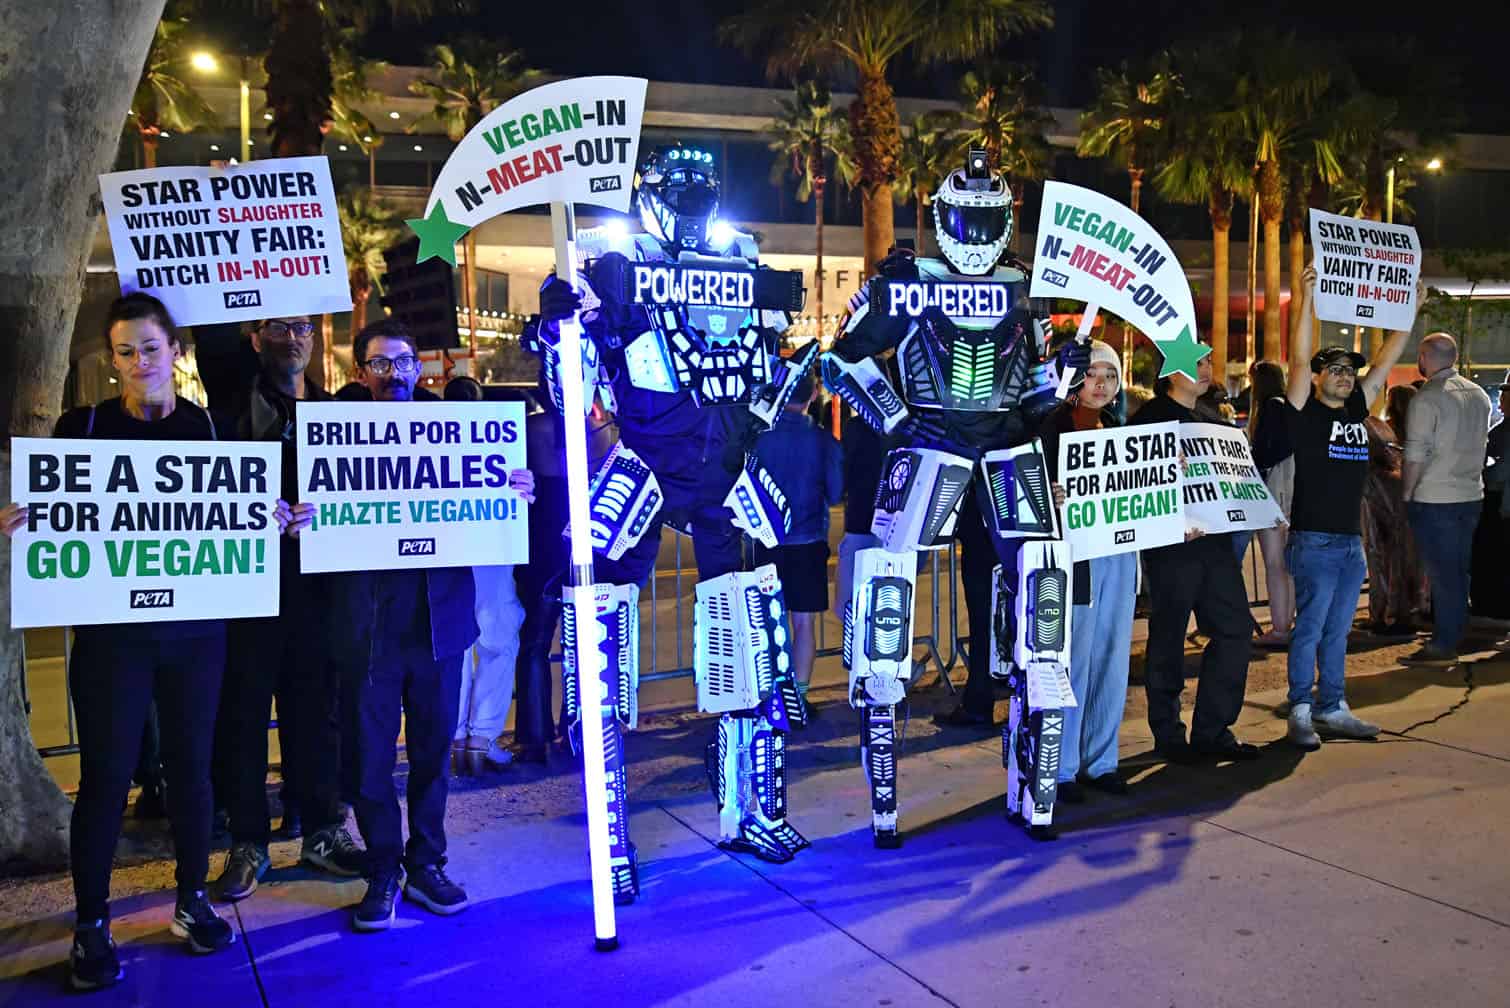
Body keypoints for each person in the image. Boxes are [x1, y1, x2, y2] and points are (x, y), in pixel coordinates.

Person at [0, 294, 240, 990]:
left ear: (175, 351)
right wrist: (22, 518)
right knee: (105, 779)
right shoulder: (84, 428)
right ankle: (91, 922)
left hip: (196, 634)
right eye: (126, 351)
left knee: (193, 771)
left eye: (151, 348)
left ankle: (191, 901)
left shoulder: (210, 432)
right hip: (113, 639)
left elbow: (238, 522)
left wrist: (273, 518)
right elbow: (57, 513)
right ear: (113, 360)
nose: (140, 362)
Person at [289, 318, 535, 931]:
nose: (392, 373)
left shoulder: (459, 431)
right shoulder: (328, 434)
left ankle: (427, 863)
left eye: (403, 362)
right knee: (370, 761)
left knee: (431, 755)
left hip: (439, 626)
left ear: (417, 366)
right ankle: (382, 868)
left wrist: (516, 487)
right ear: (360, 371)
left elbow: (490, 494)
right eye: (379, 363)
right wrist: (296, 516)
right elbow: (302, 509)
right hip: (364, 628)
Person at [213, 315, 365, 904]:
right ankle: (248, 842)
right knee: (243, 721)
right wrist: (257, 508)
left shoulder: (338, 418)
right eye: (278, 327)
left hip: (316, 595)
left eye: (303, 327)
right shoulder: (223, 420)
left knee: (315, 718)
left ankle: (323, 831)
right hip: (246, 593)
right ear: (255, 340)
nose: (293, 338)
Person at [1283, 266, 1415, 749]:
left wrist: (1408, 314)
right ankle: (1300, 709)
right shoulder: (1305, 412)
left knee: (1338, 632)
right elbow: (1297, 359)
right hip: (1313, 539)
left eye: (1347, 371)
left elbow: (1383, 363)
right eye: (1334, 370)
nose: (1344, 377)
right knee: (1311, 628)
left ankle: (1332, 707)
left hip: (1348, 542)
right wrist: (1306, 298)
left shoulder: (1358, 411)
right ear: (1318, 378)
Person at [1130, 344, 1259, 762]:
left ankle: (1213, 729)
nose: (1206, 368)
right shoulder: (1146, 421)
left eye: (1207, 361)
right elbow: (1134, 488)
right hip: (1173, 549)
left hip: (1216, 544)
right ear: (1170, 372)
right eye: (1197, 362)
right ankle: (1167, 734)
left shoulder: (1209, 417)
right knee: (1168, 638)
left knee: (1235, 629)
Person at [1039, 342, 1136, 801]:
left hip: (1118, 553)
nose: (1101, 384)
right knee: (1073, 659)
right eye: (1093, 374)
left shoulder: (1120, 428)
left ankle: (1102, 761)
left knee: (1114, 657)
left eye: (1110, 376)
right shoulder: (1049, 426)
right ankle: (1061, 767)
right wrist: (1048, 495)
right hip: (1073, 556)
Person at [750, 374, 844, 717]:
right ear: (814, 394)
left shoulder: (759, 437)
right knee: (803, 624)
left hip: (767, 542)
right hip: (807, 541)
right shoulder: (823, 441)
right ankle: (797, 700)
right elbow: (835, 493)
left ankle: (769, 696)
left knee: (767, 623)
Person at [1402, 331, 1491, 665]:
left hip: (1436, 497)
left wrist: (1407, 494)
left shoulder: (1428, 398)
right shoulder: (1479, 395)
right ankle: (1453, 632)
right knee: (1458, 571)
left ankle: (1444, 644)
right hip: (1470, 494)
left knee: (1442, 574)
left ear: (1425, 357)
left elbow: (1415, 455)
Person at [1362, 385, 1425, 635]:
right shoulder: (1416, 433)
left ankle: (1385, 613)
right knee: (1407, 556)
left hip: (1384, 496)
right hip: (1411, 499)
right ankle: (1406, 611)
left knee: (1381, 555)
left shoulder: (1381, 429)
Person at [1247, 360, 1294, 647]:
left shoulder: (1270, 409)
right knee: (1288, 566)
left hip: (1275, 494)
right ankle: (1288, 623)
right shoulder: (1288, 405)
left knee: (1275, 564)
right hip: (1292, 491)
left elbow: (1266, 452)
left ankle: (1280, 627)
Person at [1470, 374, 1510, 627]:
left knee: (1494, 557)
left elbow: (1500, 470)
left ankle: (1496, 607)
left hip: (1500, 502)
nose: (1501, 401)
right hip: (1499, 500)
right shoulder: (1501, 429)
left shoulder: (1504, 432)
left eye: (1505, 396)